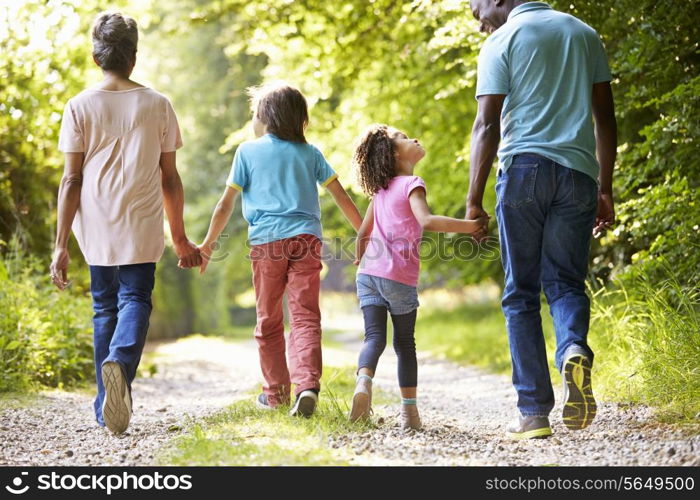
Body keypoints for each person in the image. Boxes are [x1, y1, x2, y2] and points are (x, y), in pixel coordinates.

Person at [465, 0, 617, 439]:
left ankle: (533, 413)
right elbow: (604, 118)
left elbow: (486, 125)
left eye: (476, 7)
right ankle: (572, 349)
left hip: (523, 173)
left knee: (520, 294)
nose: (476, 18)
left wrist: (473, 200)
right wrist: (604, 188)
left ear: (496, 0)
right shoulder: (583, 33)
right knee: (566, 283)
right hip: (578, 175)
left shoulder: (502, 40)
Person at [50, 12, 201, 434]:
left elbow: (71, 178)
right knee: (136, 299)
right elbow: (170, 178)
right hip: (142, 217)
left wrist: (60, 244)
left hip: (96, 220)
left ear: (96, 56)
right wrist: (181, 237)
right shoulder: (158, 104)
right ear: (133, 56)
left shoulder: (78, 106)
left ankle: (104, 406)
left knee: (104, 306)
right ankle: (119, 364)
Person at [198, 82, 362, 417]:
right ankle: (307, 386)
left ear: (265, 117)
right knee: (304, 317)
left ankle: (275, 395)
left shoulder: (247, 152)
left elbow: (224, 206)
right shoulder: (310, 153)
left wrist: (208, 244)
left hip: (267, 244)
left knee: (268, 320)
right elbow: (341, 196)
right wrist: (366, 235)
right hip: (306, 241)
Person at [350, 124, 488, 430]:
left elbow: (362, 234)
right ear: (395, 153)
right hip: (398, 277)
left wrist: (361, 260)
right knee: (404, 344)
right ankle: (409, 414)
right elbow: (426, 220)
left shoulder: (380, 191)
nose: (412, 138)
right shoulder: (412, 183)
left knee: (374, 338)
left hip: (368, 275)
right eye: (402, 137)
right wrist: (471, 226)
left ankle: (363, 382)